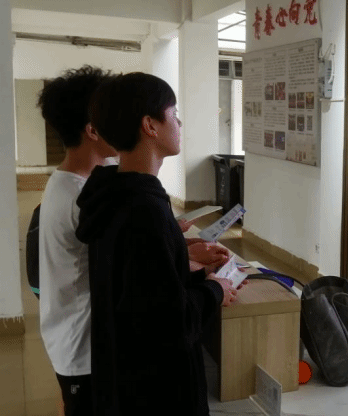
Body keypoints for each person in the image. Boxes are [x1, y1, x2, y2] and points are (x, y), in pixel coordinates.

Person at [75, 72, 238, 415]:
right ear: (150, 125)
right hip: (155, 392)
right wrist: (215, 291)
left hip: (122, 378)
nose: (179, 123)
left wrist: (196, 275)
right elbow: (170, 325)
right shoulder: (144, 209)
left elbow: (140, 290)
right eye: (173, 114)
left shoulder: (113, 195)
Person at [37, 66, 117, 415]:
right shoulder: (82, 197)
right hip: (83, 348)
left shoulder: (67, 182)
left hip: (69, 338)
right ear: (93, 130)